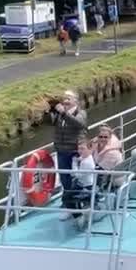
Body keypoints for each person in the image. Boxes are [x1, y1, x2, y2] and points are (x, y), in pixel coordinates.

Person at [51, 91, 87, 219]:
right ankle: (68, 206)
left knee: (76, 180)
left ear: (75, 101)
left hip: (75, 152)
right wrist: (51, 111)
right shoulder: (60, 114)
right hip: (62, 151)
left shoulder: (81, 113)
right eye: (64, 99)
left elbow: (78, 124)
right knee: (64, 179)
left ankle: (79, 206)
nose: (65, 101)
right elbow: (51, 123)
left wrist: (63, 113)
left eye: (68, 98)